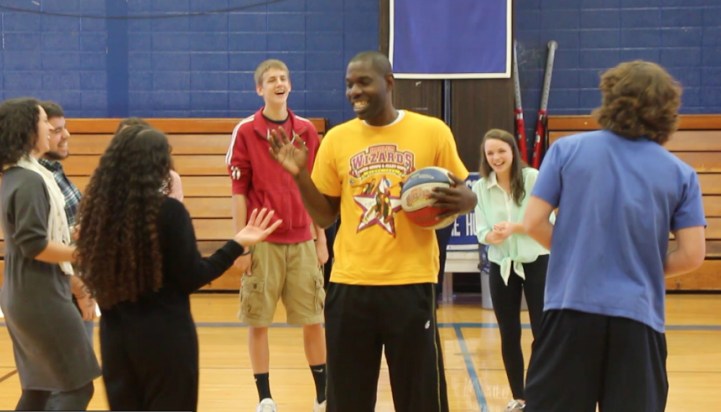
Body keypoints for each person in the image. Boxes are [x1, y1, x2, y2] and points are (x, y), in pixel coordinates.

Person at [267, 50, 478, 412]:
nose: (354, 91)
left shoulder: (432, 132)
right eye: (349, 84)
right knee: (348, 400)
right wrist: (300, 175)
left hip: (410, 285)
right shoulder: (337, 139)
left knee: (420, 399)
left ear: (389, 83)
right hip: (350, 287)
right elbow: (324, 216)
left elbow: (466, 193)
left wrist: (466, 201)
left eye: (363, 82)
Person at [522, 60, 707, 411]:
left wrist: (574, 254)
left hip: (569, 312)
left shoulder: (567, 149)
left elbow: (533, 222)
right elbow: (692, 255)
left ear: (610, 97)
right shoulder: (681, 173)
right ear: (667, 109)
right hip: (638, 320)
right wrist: (641, 264)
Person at [75, 125, 282, 412]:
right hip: (166, 339)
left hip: (115, 339)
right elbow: (192, 276)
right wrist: (237, 244)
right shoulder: (169, 212)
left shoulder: (99, 215)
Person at [0, 97, 100, 411]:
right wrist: (84, 252)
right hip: (40, 296)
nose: (50, 127)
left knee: (40, 391)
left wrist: (71, 239)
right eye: (43, 121)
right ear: (27, 131)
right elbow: (34, 244)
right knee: (77, 388)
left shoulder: (21, 175)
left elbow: (39, 236)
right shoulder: (30, 180)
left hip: (26, 294)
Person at [225, 58, 329, 412]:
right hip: (263, 242)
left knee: (314, 319)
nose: (279, 83)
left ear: (290, 86)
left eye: (283, 78)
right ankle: (265, 397)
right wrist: (242, 243)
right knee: (259, 322)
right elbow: (239, 192)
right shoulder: (245, 132)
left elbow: (314, 187)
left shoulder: (307, 131)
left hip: (301, 239)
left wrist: (321, 238)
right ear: (260, 89)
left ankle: (322, 394)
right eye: (271, 80)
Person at [471, 129, 551, 411]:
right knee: (509, 332)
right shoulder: (480, 187)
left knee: (543, 332)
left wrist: (515, 228)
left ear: (513, 152)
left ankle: (538, 391)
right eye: (490, 153)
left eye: (501, 151)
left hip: (537, 261)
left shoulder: (533, 178)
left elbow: (547, 218)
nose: (496, 157)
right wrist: (489, 236)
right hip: (501, 265)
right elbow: (480, 228)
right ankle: (519, 396)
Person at [36, 101, 99, 411]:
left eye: (65, 127)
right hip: (64, 292)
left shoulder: (54, 171)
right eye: (57, 130)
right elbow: (39, 245)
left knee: (52, 388)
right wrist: (79, 287)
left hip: (73, 291)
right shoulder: (36, 181)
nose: (66, 135)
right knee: (70, 387)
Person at [115, 117, 184, 201]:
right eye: (125, 137)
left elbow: (174, 211)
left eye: (135, 136)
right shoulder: (108, 176)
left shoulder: (170, 178)